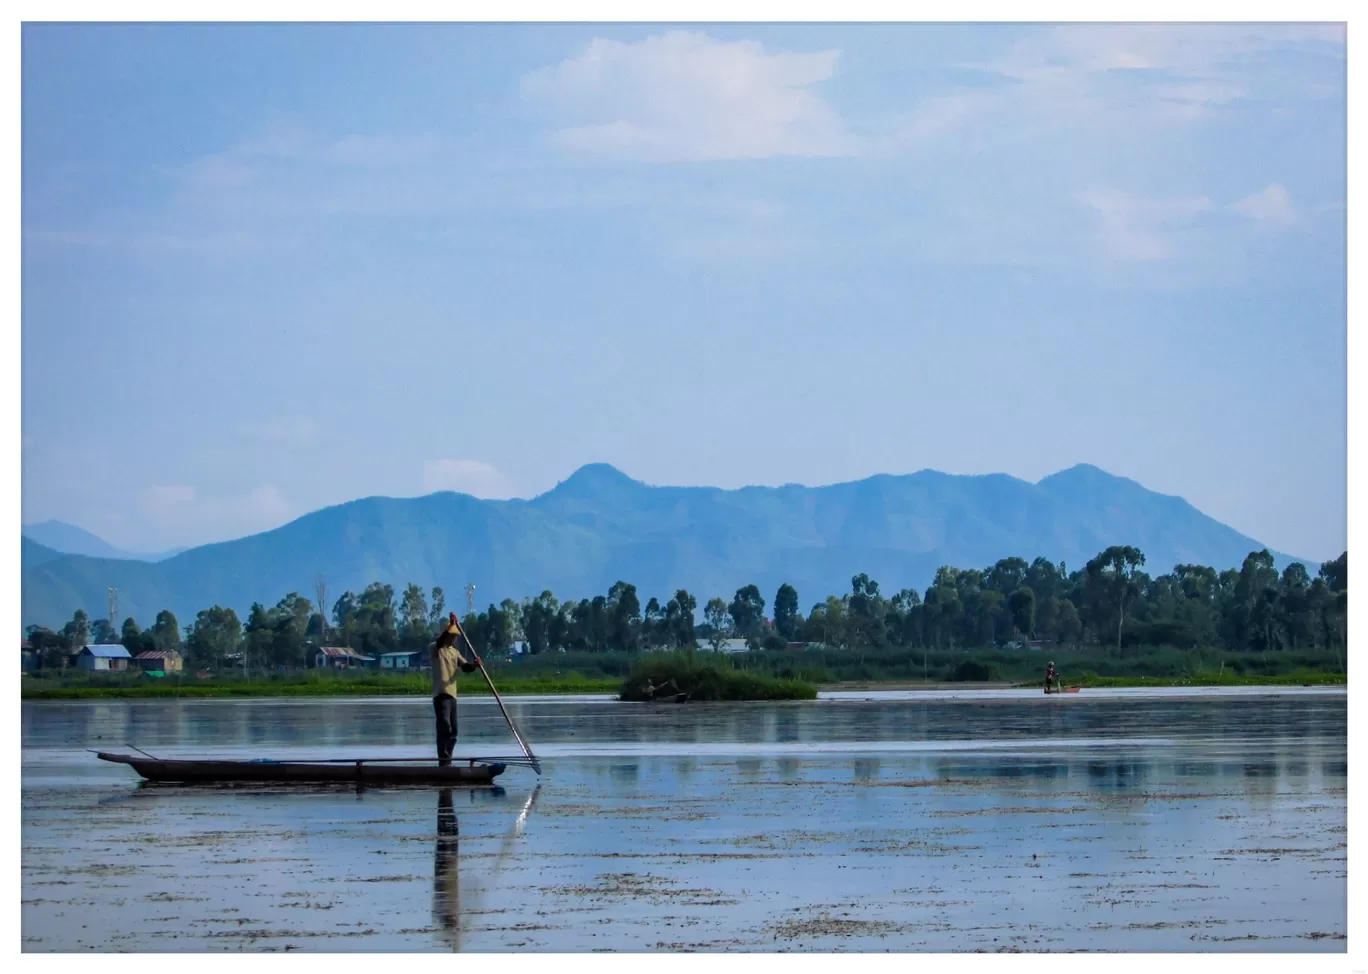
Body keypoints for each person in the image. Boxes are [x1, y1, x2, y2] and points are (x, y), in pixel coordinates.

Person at [432, 612, 481, 766]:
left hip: (452, 695)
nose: (454, 639)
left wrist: (475, 665)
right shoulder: (436, 648)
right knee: (444, 727)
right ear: (446, 635)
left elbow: (466, 667)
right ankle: (443, 761)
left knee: (454, 730)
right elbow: (440, 642)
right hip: (441, 694)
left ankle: (448, 760)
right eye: (451, 636)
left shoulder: (454, 652)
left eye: (455, 636)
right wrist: (451, 625)